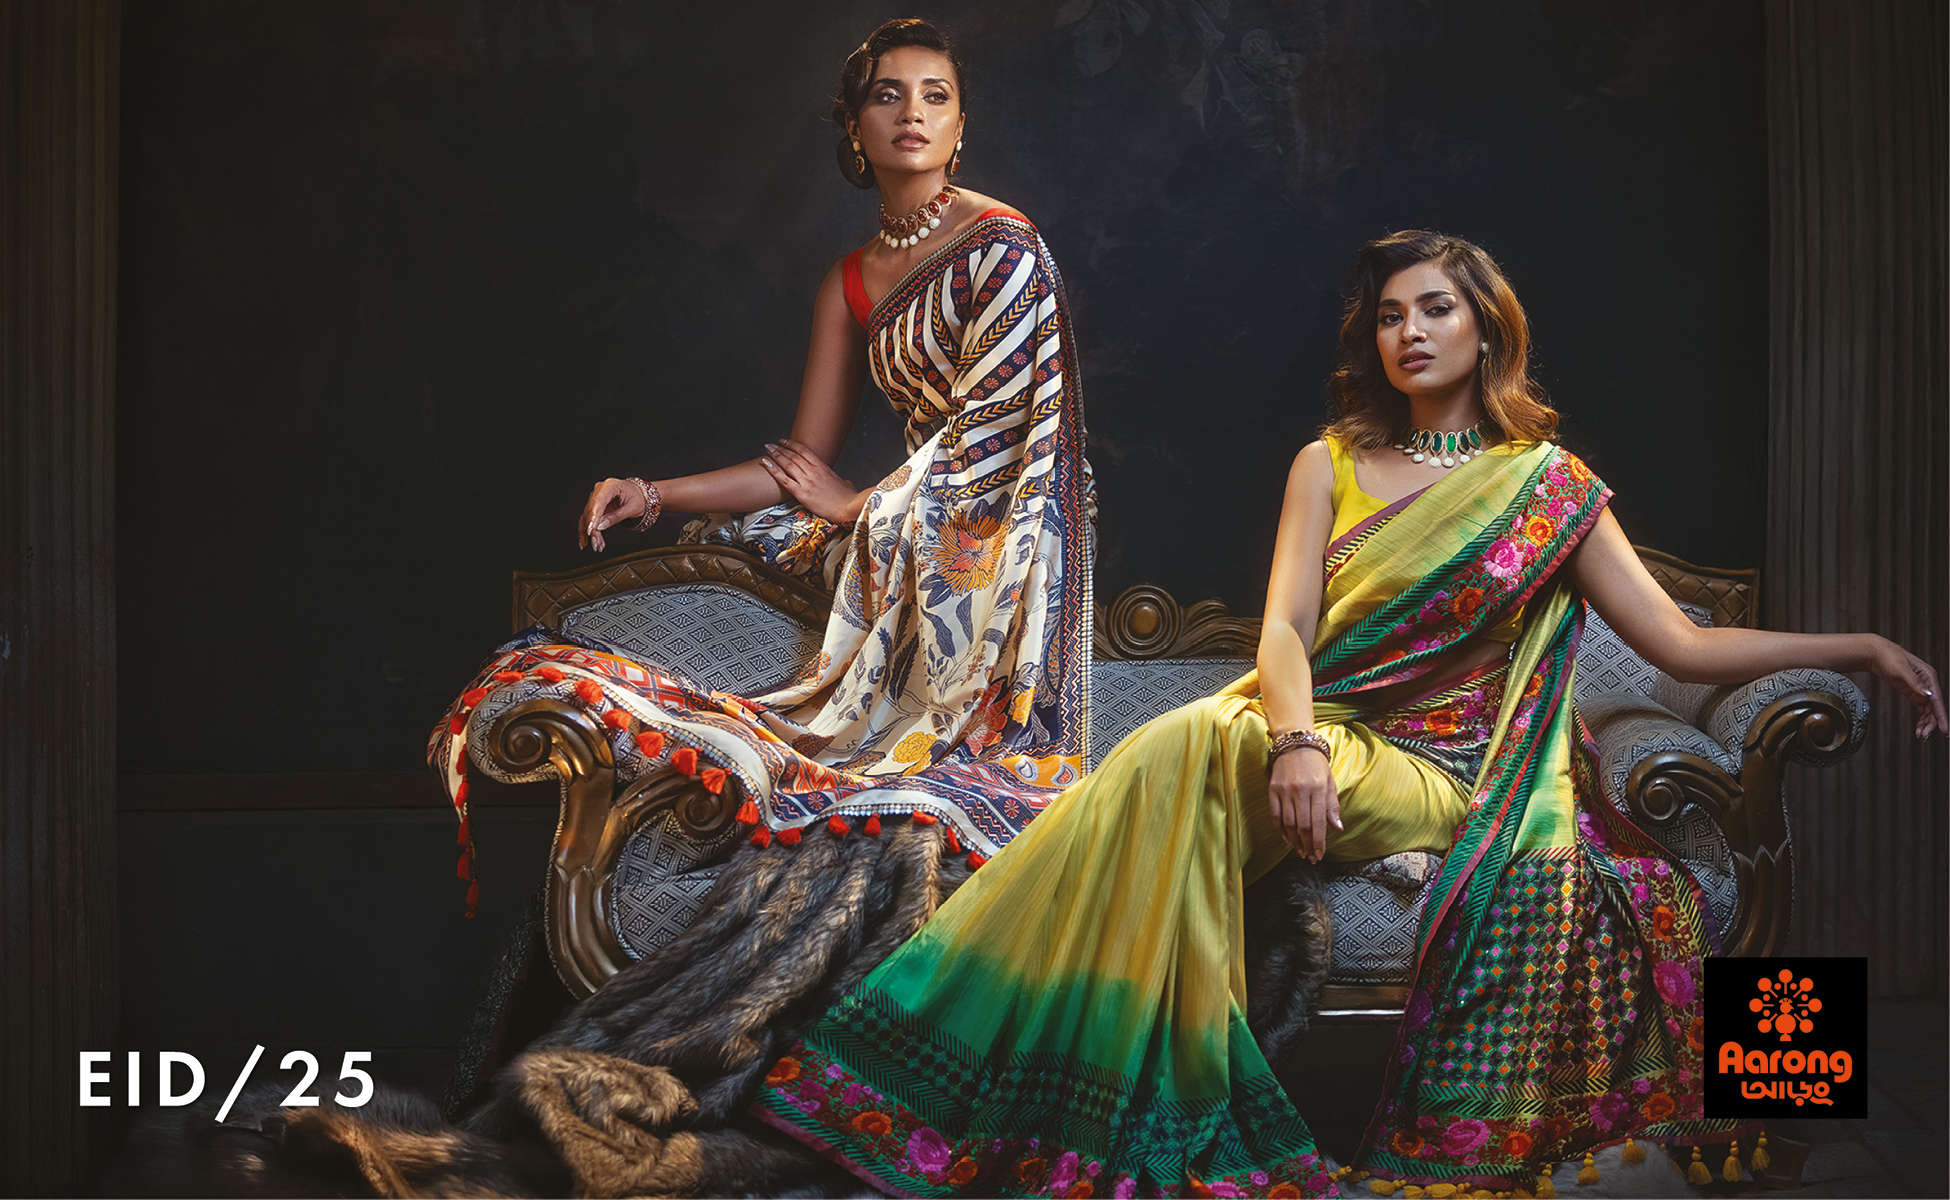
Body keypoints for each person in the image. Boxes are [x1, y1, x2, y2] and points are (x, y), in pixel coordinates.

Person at [749, 230, 1946, 1197]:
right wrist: (1300, 742)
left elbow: (1681, 644)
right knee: (1186, 750)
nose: (1409, 332)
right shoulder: (1327, 462)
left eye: (1435, 309)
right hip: (1332, 733)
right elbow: (1282, 633)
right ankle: (1093, 1088)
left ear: (1486, 329)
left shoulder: (1547, 486)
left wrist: (1862, 644)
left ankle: (1005, 1073)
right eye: (1389, 316)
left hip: (1458, 773)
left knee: (1186, 743)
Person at [429, 18, 1094, 915]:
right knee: (771, 525)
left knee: (846, 567)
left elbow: (1004, 441)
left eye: (935, 97)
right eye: (887, 95)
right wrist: (651, 493)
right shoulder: (851, 280)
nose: (912, 113)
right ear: (854, 125)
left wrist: (858, 506)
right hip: (907, 520)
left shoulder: (1002, 245)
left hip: (1002, 533)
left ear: (960, 126)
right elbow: (796, 462)